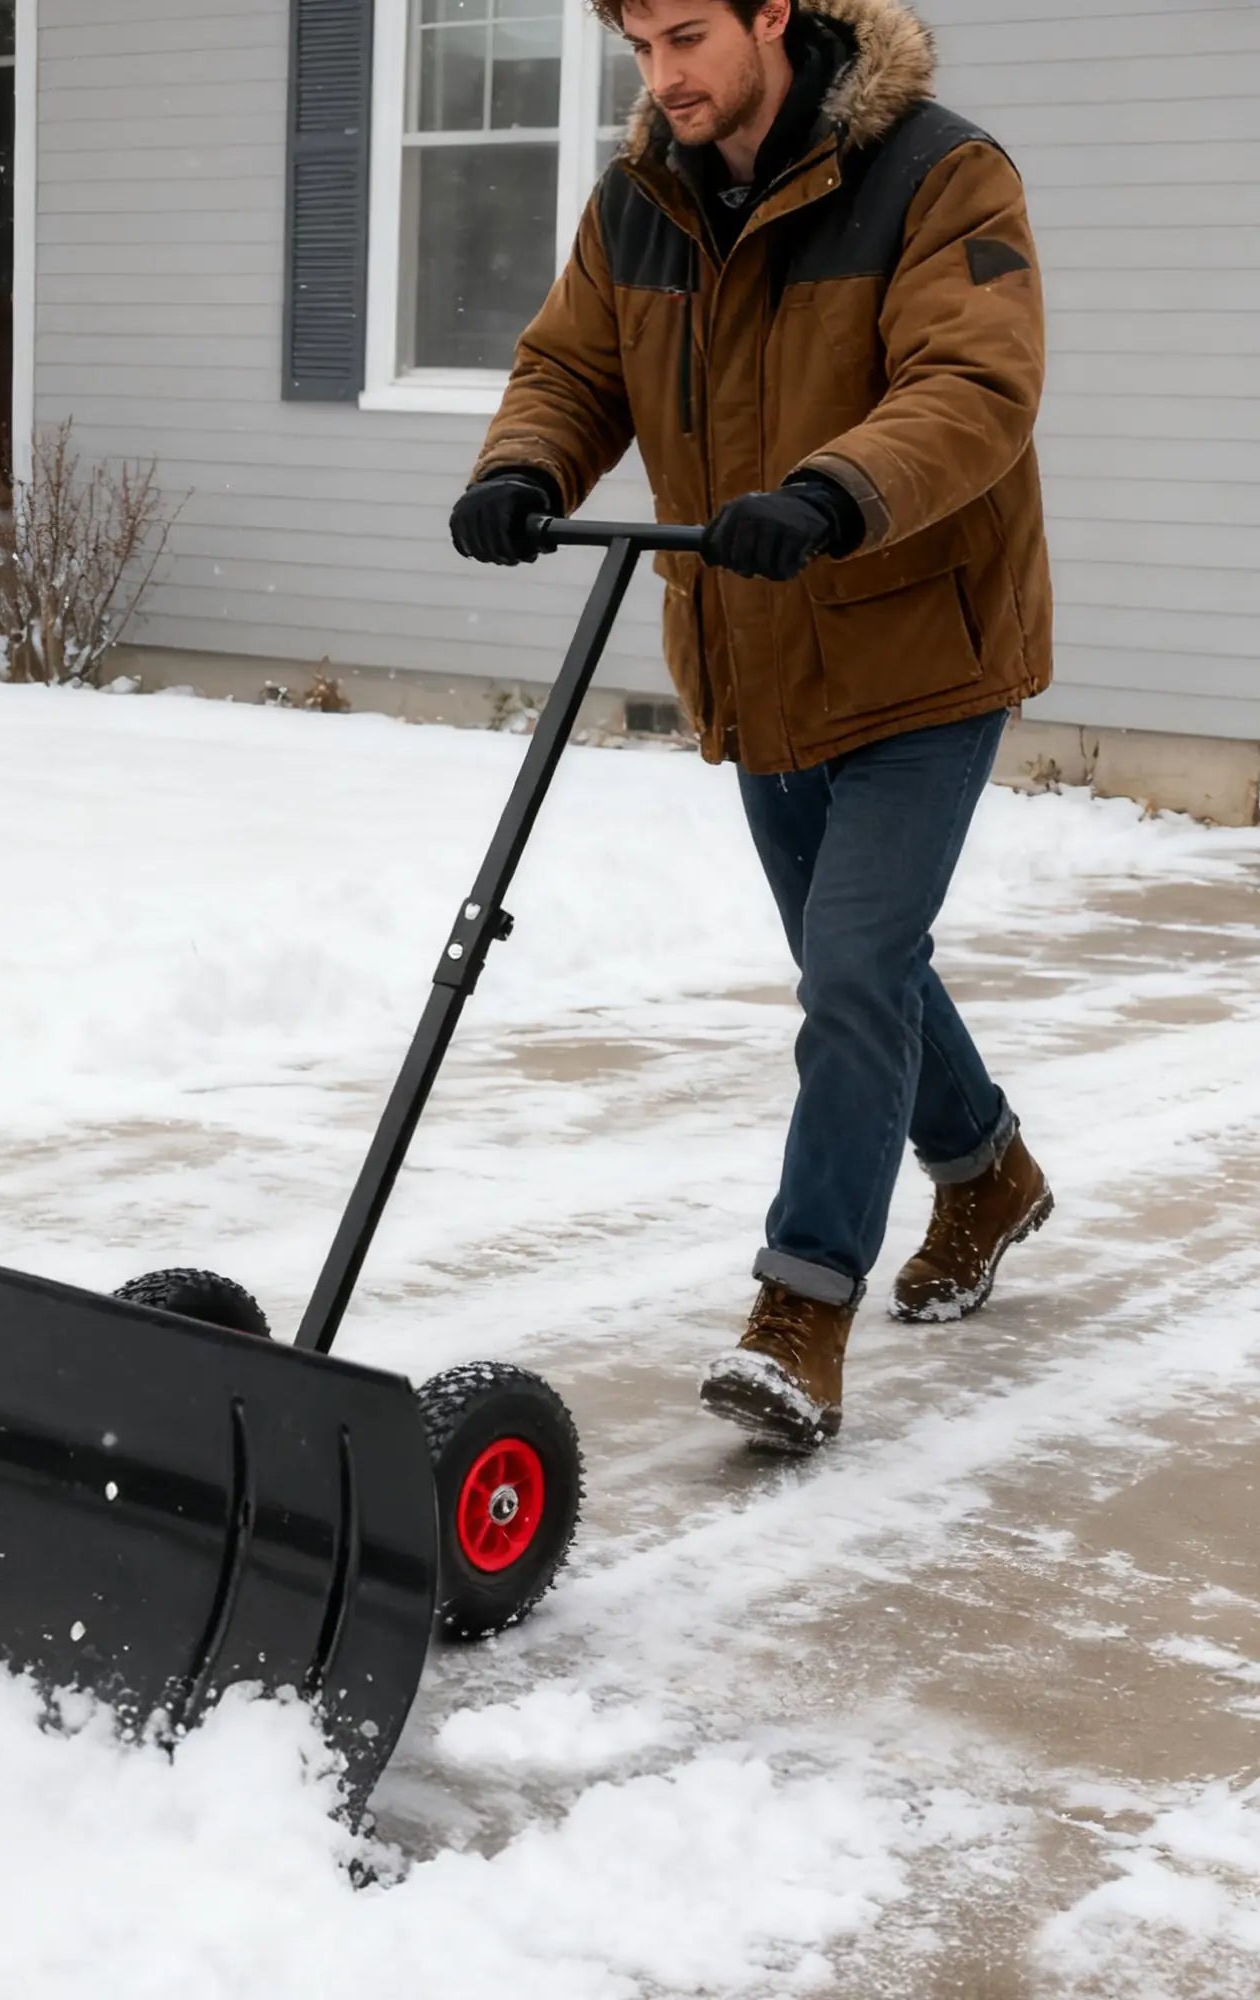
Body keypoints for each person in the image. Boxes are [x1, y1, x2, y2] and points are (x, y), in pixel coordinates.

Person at [450, 0, 1055, 1453]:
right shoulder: (642, 197)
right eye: (639, 47)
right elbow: (573, 368)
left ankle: (800, 1315)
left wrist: (835, 490)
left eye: (686, 36)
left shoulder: (939, 173)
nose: (664, 79)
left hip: (921, 646)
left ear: (774, 12)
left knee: (854, 967)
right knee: (864, 966)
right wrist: (524, 463)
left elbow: (975, 384)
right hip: (759, 652)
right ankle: (986, 1172)